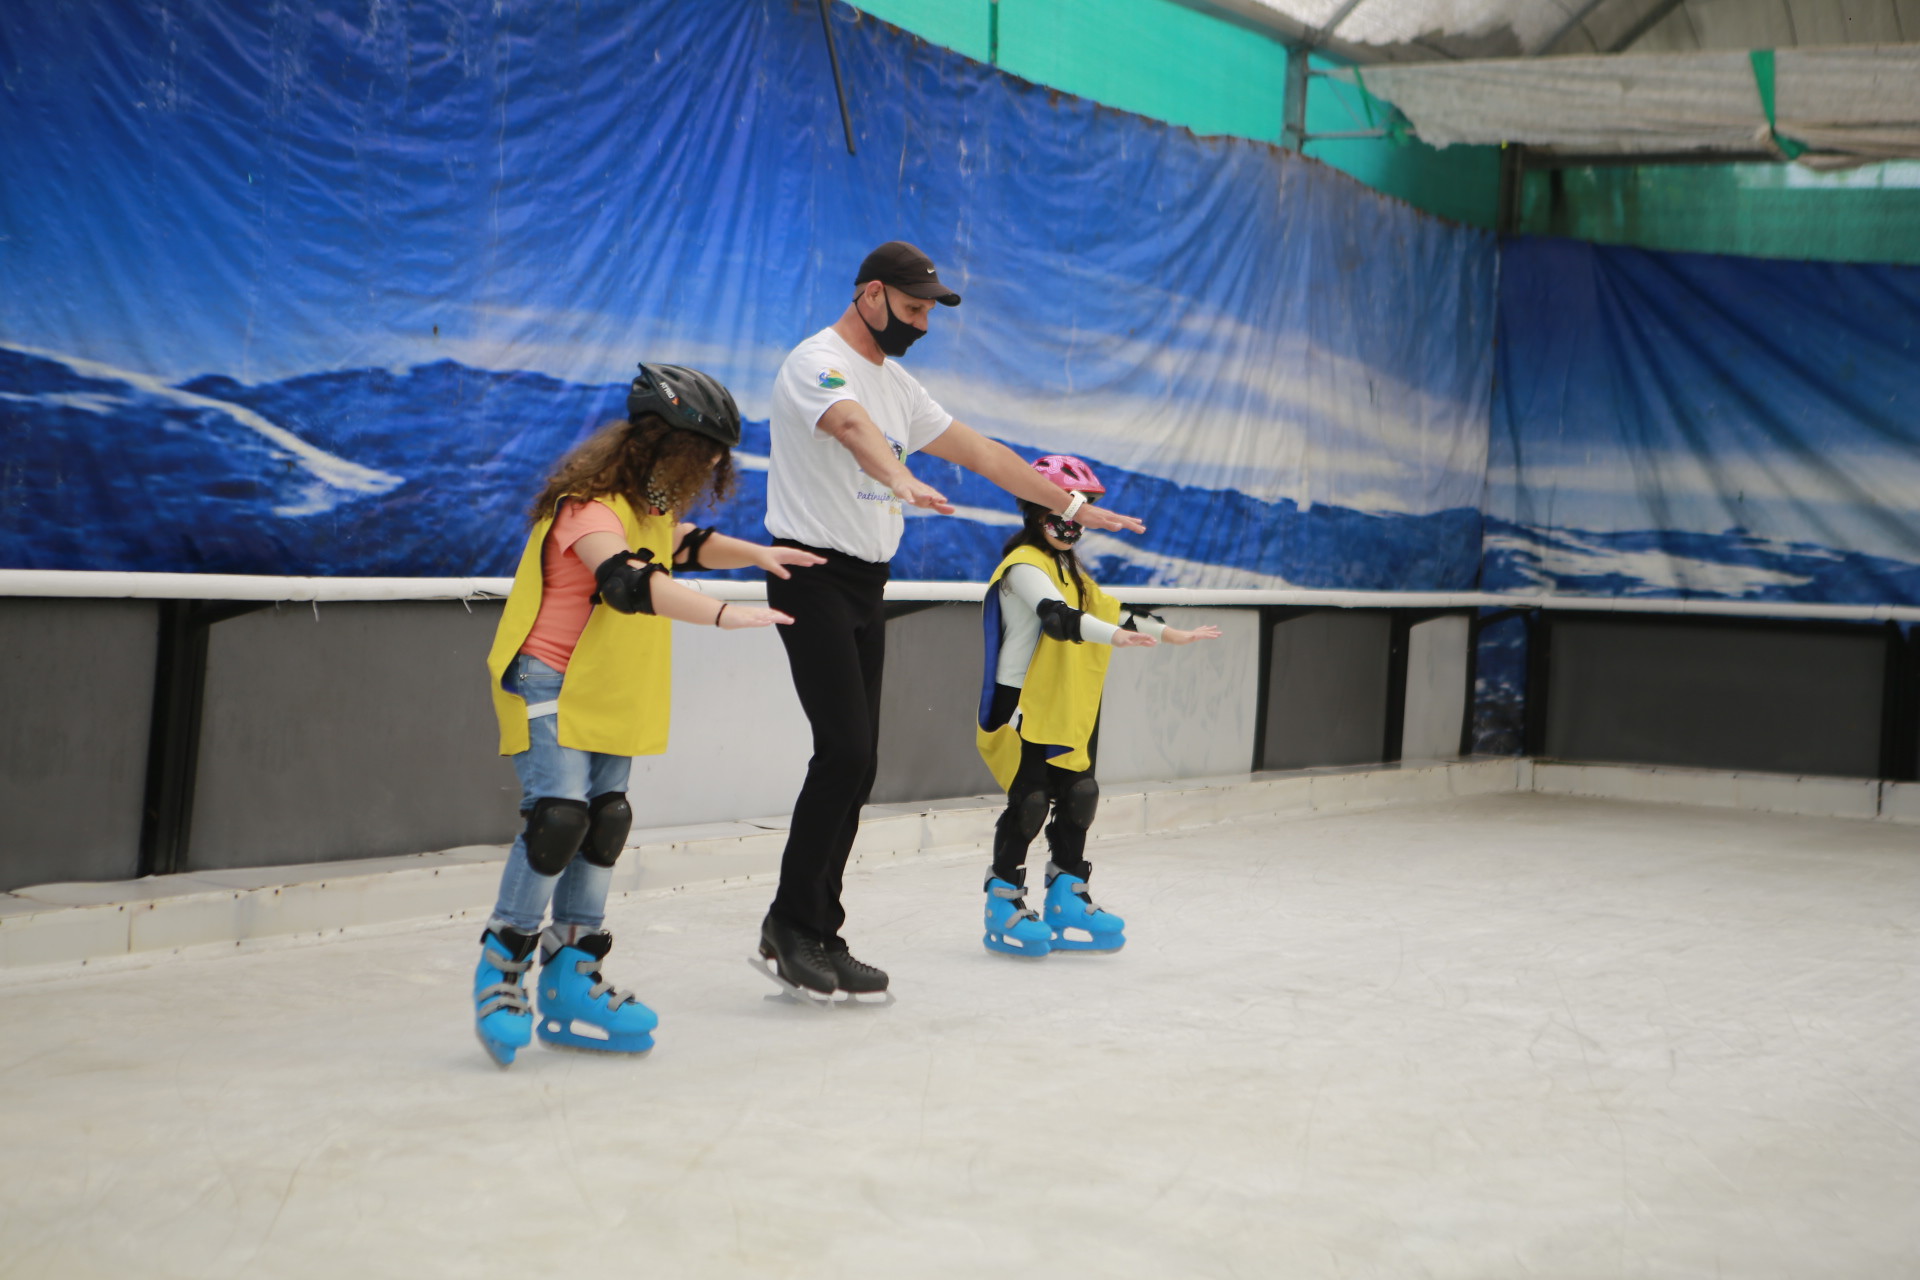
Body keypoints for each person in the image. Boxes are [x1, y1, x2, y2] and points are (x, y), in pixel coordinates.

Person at [753, 240, 1147, 1002]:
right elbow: (850, 429)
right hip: (809, 575)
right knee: (843, 753)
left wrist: (1069, 504)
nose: (923, 322)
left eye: (931, 310)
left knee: (857, 763)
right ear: (870, 295)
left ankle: (820, 929)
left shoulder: (899, 384)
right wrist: (900, 474)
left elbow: (985, 454)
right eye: (911, 308)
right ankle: (790, 925)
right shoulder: (816, 360)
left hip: (867, 583)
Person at [472, 363, 823, 1066]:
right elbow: (628, 582)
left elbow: (680, 545)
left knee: (603, 824)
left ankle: (572, 976)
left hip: (608, 683)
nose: (713, 467)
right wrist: (724, 614)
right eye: (706, 454)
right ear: (665, 445)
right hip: (550, 676)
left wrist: (753, 553)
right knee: (558, 819)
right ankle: (502, 968)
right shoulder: (586, 508)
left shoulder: (645, 510)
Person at [976, 455, 1220, 958]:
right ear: (1033, 508)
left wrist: (1172, 633)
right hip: (1023, 702)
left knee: (1080, 793)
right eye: (1064, 509)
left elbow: (1110, 611)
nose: (1071, 522)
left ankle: (1067, 896)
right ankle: (1003, 900)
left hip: (1065, 698)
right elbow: (1059, 619)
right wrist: (1113, 636)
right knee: (1030, 803)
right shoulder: (1024, 566)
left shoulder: (1073, 571)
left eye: (1080, 511)